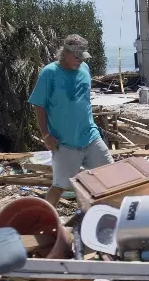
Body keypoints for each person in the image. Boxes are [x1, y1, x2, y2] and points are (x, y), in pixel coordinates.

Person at [28, 34, 113, 207]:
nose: (80, 61)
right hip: (64, 142)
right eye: (76, 57)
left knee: (109, 175)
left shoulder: (85, 69)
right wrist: (45, 135)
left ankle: (105, 215)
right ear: (65, 53)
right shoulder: (49, 73)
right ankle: (46, 218)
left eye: (83, 57)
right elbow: (39, 105)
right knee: (60, 186)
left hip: (90, 136)